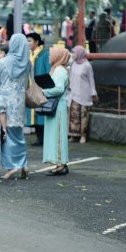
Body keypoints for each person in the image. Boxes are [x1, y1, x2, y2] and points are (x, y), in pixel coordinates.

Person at [0, 34, 30, 180]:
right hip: (20, 103)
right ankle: (23, 164)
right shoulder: (27, 62)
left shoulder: (3, 62)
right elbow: (28, 84)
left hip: (5, 103)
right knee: (19, 135)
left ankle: (12, 167)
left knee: (6, 135)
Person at [42, 47, 71, 176]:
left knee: (58, 134)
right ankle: (61, 163)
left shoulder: (59, 70)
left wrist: (44, 92)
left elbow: (58, 89)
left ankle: (61, 165)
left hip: (58, 106)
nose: (49, 57)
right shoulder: (58, 69)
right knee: (57, 134)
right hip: (57, 106)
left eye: (51, 55)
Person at [68, 46, 98, 144]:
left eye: (75, 53)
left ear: (80, 53)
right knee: (73, 115)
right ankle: (73, 135)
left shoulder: (87, 65)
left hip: (84, 94)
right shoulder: (73, 64)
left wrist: (93, 93)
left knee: (83, 116)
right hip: (74, 93)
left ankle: (83, 136)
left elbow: (91, 80)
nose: (73, 55)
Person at [26, 32, 51, 146]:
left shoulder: (44, 54)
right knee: (33, 113)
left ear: (36, 42)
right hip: (30, 88)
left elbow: (48, 70)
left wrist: (46, 86)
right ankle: (38, 137)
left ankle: (42, 138)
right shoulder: (28, 54)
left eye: (30, 41)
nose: (28, 43)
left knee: (41, 113)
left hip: (41, 87)